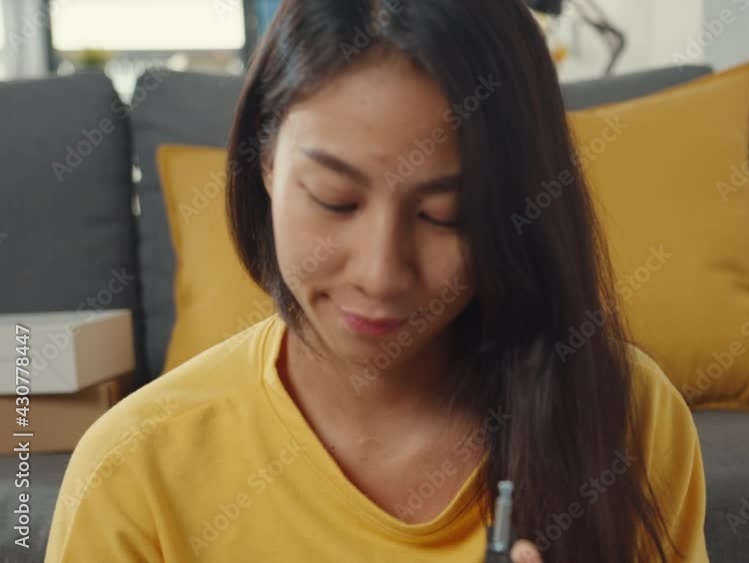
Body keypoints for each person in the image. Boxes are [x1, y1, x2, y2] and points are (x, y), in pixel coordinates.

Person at [45, 1, 710, 562]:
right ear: (266, 163)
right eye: (335, 199)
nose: (381, 272)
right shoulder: (133, 471)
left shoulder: (628, 418)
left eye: (445, 215)